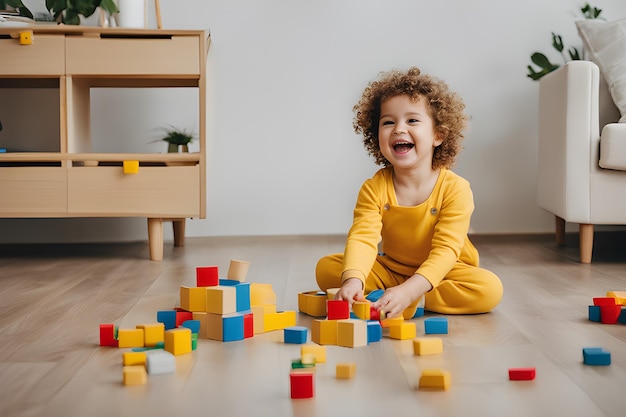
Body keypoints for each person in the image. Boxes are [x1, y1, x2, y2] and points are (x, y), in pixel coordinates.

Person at [315, 67, 503, 319]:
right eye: (388, 122)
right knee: (328, 268)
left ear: (438, 134)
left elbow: (446, 250)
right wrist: (353, 282)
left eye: (412, 120)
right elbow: (362, 238)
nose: (398, 129)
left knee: (489, 289)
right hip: (391, 270)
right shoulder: (374, 187)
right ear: (376, 134)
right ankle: (391, 294)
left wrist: (410, 291)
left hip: (446, 271)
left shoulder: (455, 189)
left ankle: (413, 299)